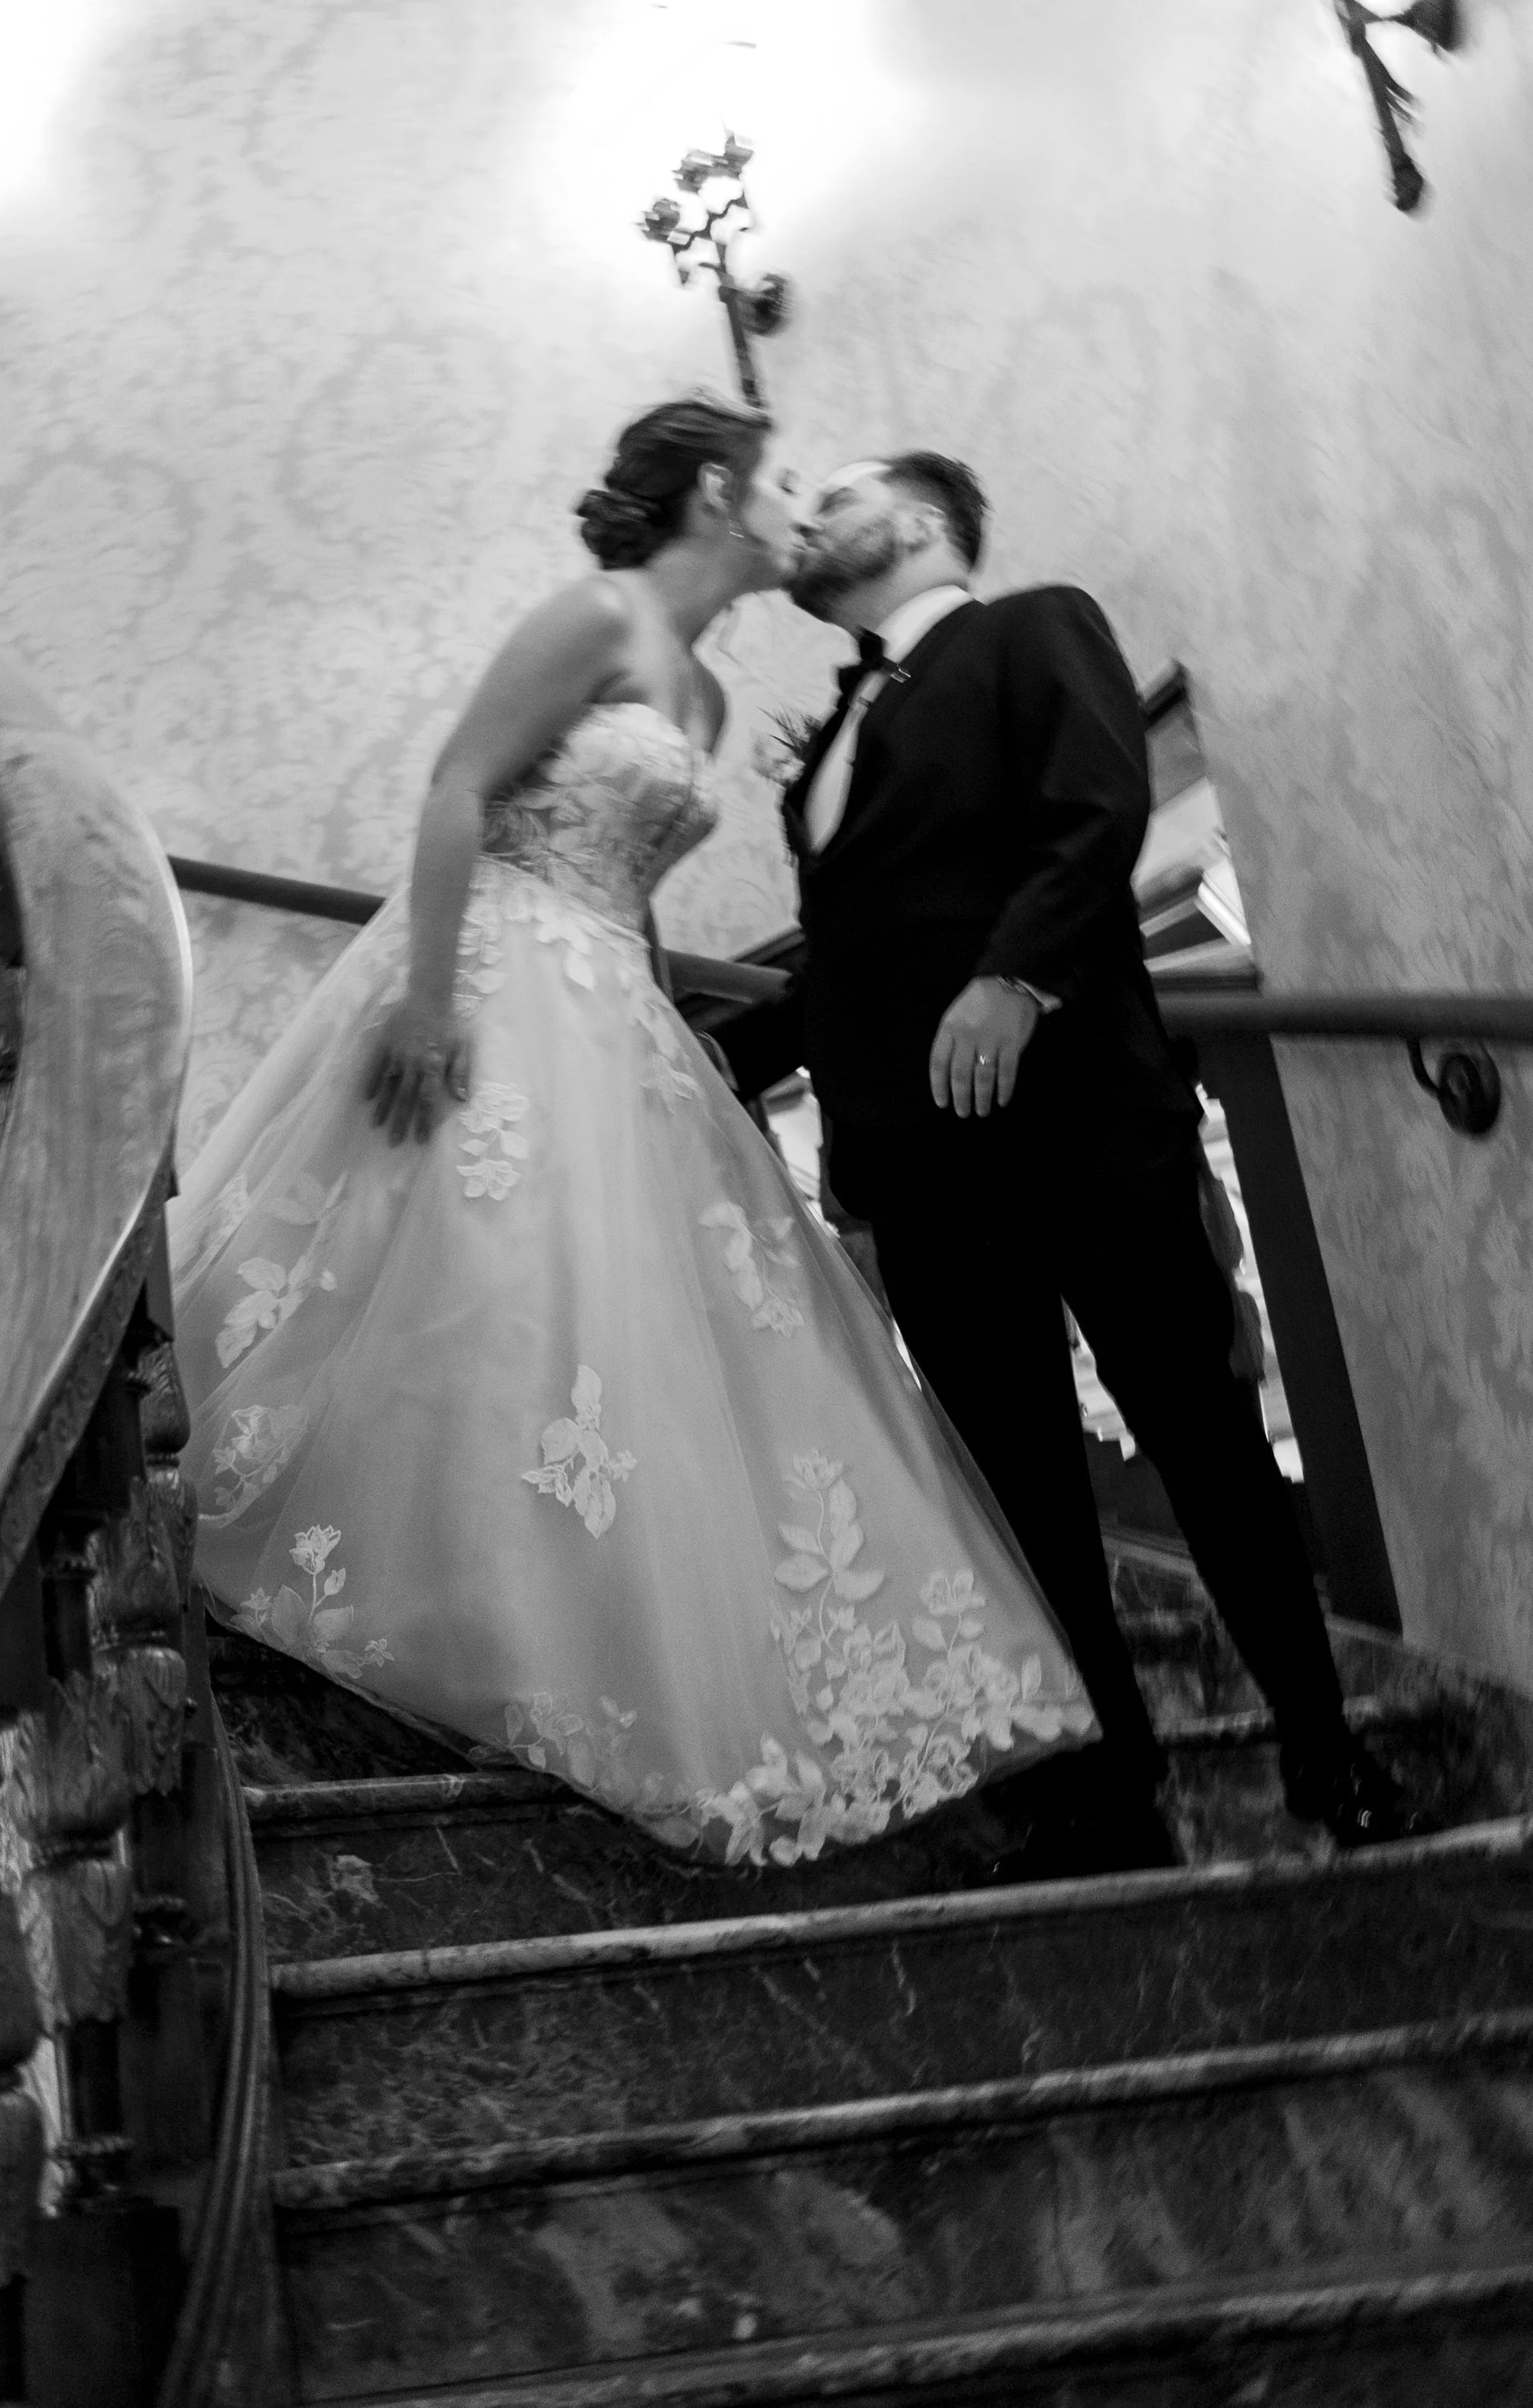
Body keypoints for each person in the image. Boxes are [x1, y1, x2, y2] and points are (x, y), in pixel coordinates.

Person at [166, 397, 1096, 1867]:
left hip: (612, 1007)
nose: (800, 506)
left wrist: (675, 1035)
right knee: (480, 1288)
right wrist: (423, 998)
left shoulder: (712, 702)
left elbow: (641, 889)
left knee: (615, 1329)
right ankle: (425, 1597)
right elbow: (460, 785)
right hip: (490, 977)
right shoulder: (591, 616)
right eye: (786, 480)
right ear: (720, 492)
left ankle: (578, 1619)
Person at [717, 451, 1413, 1872]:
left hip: (1082, 1126)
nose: (814, 515)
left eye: (839, 491)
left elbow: (1096, 810)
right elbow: (863, 951)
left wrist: (1018, 982)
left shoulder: (1036, 626)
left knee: (1207, 1441)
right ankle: (1112, 1774)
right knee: (1018, 1486)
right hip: (920, 1174)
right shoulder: (852, 711)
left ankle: (1325, 1748)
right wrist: (714, 1050)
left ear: (915, 522)